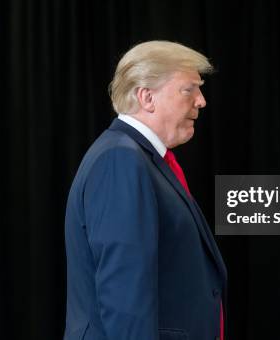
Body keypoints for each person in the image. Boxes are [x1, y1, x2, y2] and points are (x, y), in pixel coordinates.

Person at [64, 41, 227, 340]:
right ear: (146, 97)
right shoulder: (120, 159)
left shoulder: (139, 158)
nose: (201, 101)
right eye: (189, 89)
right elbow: (124, 294)